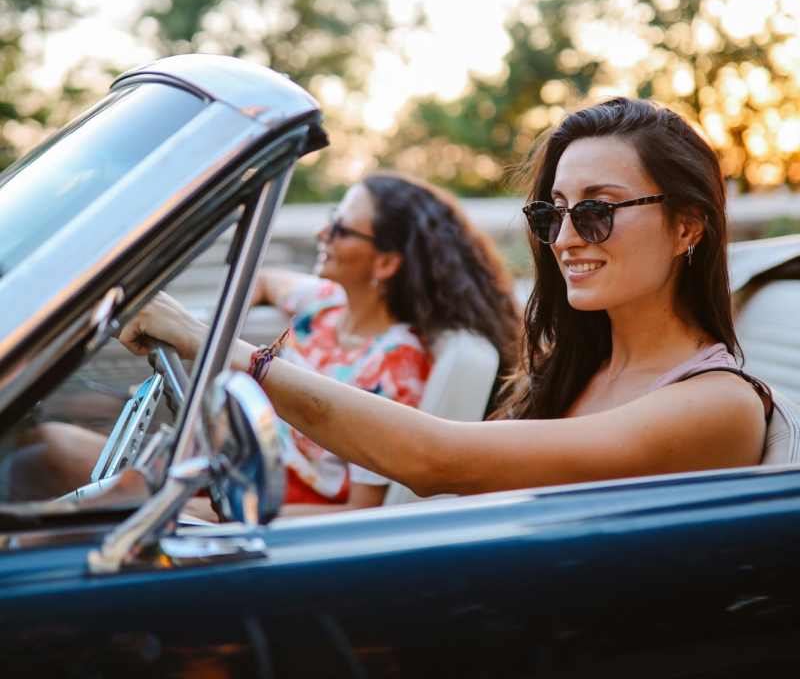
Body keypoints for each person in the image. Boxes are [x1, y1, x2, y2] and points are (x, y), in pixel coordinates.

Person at [121, 98, 776, 501]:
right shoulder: (575, 369)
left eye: (598, 213)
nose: (566, 239)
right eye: (554, 215)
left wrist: (216, 347)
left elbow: (437, 460)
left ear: (688, 225)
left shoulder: (717, 404)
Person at [250, 172, 519, 514]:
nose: (323, 234)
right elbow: (265, 280)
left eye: (341, 231)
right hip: (245, 468)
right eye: (332, 220)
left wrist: (234, 514)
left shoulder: (396, 367)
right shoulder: (323, 301)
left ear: (387, 262)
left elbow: (362, 512)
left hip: (272, 507)